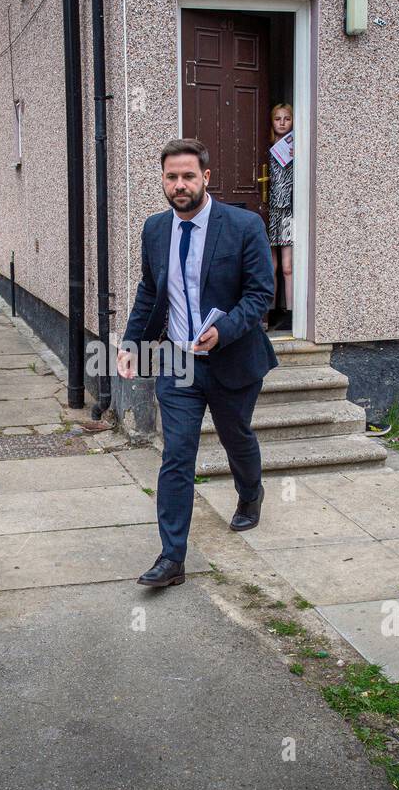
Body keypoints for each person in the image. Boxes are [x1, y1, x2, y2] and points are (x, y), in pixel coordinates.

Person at [117, 138, 279, 588]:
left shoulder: (243, 225)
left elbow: (261, 294)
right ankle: (172, 559)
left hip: (231, 357)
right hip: (178, 360)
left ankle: (250, 494)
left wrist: (224, 330)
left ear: (206, 177)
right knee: (177, 454)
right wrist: (132, 343)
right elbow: (151, 291)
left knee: (235, 436)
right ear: (163, 180)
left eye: (189, 175)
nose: (180, 184)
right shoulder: (155, 229)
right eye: (172, 177)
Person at [266, 103, 295, 332]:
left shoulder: (296, 148)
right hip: (268, 211)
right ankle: (270, 311)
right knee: (270, 264)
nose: (283, 122)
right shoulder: (265, 148)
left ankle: (291, 313)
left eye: (287, 118)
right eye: (278, 119)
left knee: (287, 266)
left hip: (287, 211)